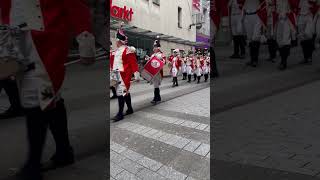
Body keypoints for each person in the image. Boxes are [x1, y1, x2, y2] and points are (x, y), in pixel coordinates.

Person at [1, 1, 96, 180]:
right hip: (14, 41)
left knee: (34, 101)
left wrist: (85, 41)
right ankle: (64, 152)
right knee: (51, 98)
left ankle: (33, 166)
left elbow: (75, 5)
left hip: (45, 45)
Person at [110, 24, 140, 121]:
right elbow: (113, 63)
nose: (116, 42)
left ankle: (120, 114)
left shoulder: (128, 50)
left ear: (119, 41)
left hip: (124, 76)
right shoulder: (116, 51)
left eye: (117, 40)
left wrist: (136, 74)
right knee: (125, 93)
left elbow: (133, 63)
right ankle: (130, 109)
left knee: (120, 93)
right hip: (116, 75)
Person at [243, 0, 267, 67]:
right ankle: (252, 59)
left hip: (256, 15)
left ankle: (255, 60)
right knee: (250, 39)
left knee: (255, 38)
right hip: (247, 16)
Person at [274, 0, 297, 70]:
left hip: (287, 20)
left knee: (286, 41)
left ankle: (284, 61)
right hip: (278, 20)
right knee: (279, 41)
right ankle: (282, 59)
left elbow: (295, 5)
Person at [297, 0, 316, 64]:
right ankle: (305, 57)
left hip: (309, 14)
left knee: (308, 35)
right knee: (302, 37)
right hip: (301, 15)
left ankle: (309, 57)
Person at [149, 36, 166, 104]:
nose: (154, 48)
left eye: (155, 47)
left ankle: (156, 98)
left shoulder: (161, 55)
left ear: (158, 48)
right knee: (155, 85)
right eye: (154, 47)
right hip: (153, 72)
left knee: (156, 85)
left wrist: (161, 59)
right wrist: (148, 59)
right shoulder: (153, 55)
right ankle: (157, 97)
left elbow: (164, 62)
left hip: (158, 72)